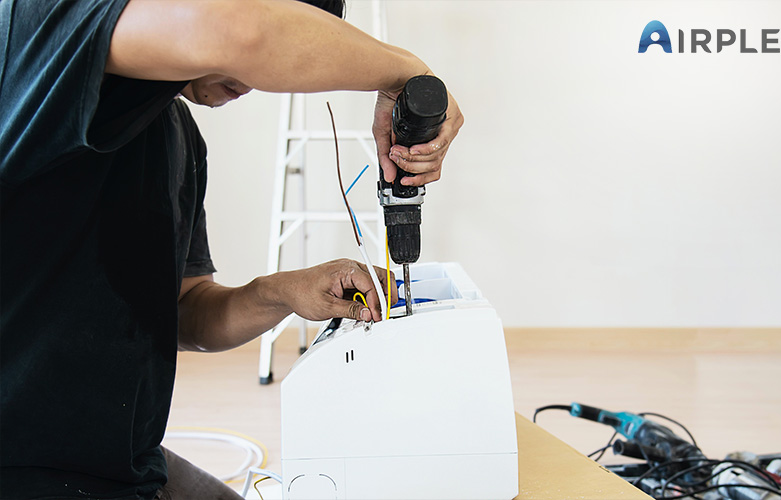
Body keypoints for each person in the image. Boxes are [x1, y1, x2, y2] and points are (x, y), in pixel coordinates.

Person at [0, 0, 464, 499]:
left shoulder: (177, 139)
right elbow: (241, 32)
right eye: (292, 27)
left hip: (122, 467)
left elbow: (185, 313)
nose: (261, 75)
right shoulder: (43, 24)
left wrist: (284, 291)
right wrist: (409, 74)